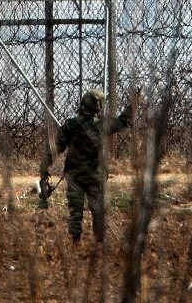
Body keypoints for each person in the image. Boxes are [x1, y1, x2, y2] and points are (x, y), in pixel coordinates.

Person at [39, 89, 132, 243]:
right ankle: (99, 247)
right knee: (98, 212)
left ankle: (75, 244)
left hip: (74, 176)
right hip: (95, 177)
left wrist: (44, 167)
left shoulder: (71, 125)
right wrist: (132, 106)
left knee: (75, 213)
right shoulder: (102, 126)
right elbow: (123, 121)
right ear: (99, 106)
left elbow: (55, 148)